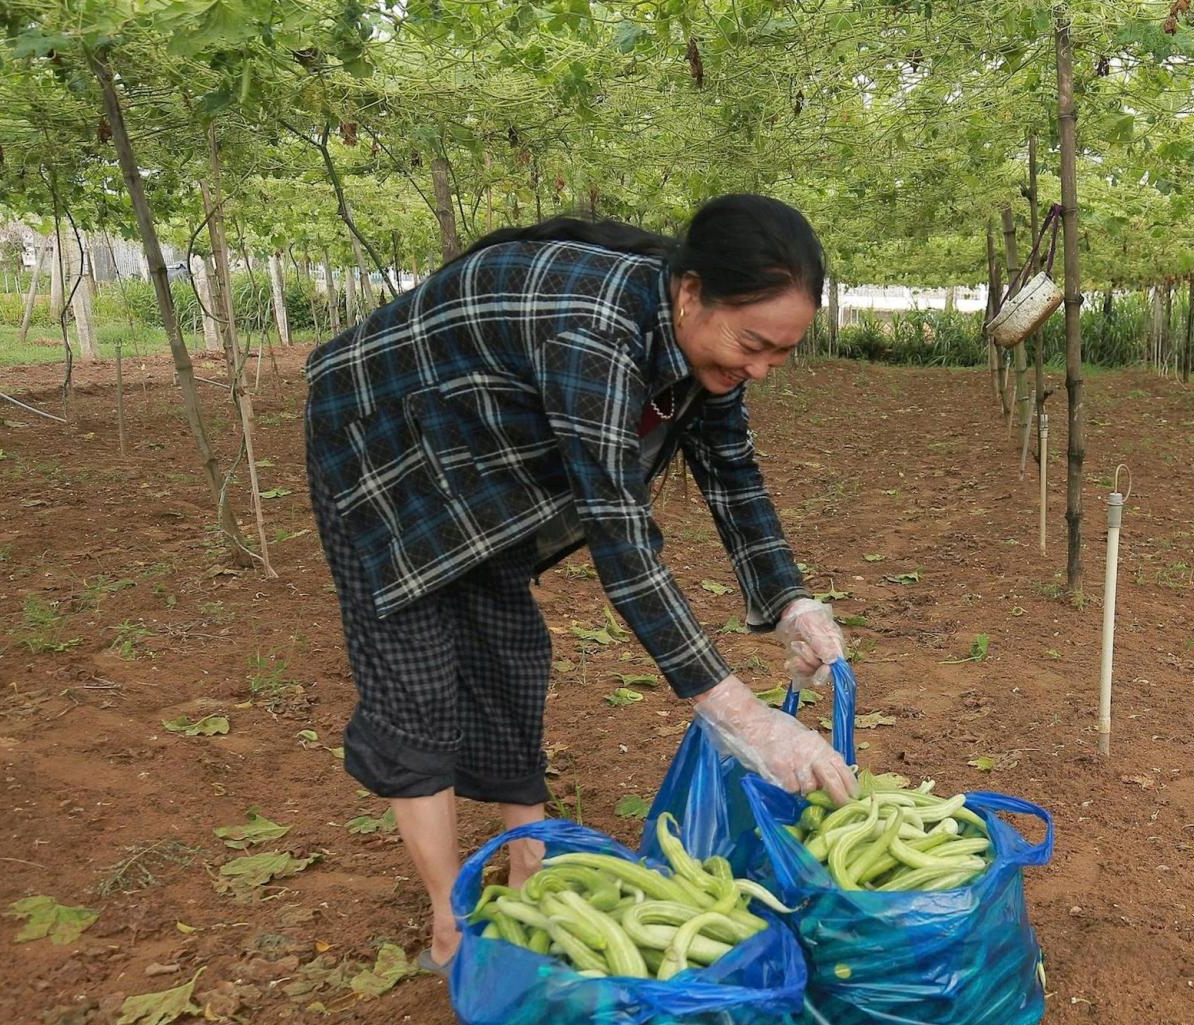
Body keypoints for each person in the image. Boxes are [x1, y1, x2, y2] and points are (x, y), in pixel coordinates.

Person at [302, 194, 853, 969]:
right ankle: (448, 921)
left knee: (510, 649)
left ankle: (531, 864)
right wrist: (740, 714)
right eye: (753, 344)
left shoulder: (704, 349)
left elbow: (732, 474)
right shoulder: (592, 330)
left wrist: (790, 600)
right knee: (415, 676)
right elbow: (619, 535)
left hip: (489, 454)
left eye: (782, 353)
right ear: (691, 291)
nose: (760, 368)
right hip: (382, 441)